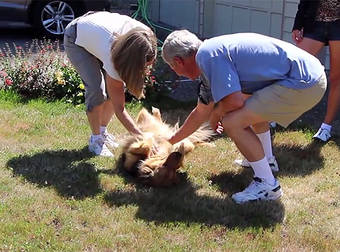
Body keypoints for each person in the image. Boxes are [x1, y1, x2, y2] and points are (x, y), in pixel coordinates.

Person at [161, 30, 327, 204]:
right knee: (253, 110)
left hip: (304, 82)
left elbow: (234, 102)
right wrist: (169, 141)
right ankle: (267, 161)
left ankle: (267, 185)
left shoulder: (208, 56)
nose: (176, 73)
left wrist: (217, 114)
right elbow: (201, 111)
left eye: (173, 67)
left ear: (178, 61)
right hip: (311, 77)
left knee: (232, 122)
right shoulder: (209, 53)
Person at [64, 11, 157, 156]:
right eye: (144, 65)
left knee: (117, 88)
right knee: (97, 90)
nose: (146, 69)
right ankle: (96, 141)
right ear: (131, 58)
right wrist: (141, 137)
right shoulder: (113, 54)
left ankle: (102, 131)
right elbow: (119, 107)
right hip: (76, 37)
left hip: (96, 32)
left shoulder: (147, 36)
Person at [292, 0, 340, 142]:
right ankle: (276, 114)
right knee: (294, 69)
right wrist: (297, 25)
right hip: (315, 24)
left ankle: (326, 128)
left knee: (336, 78)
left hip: (338, 27)